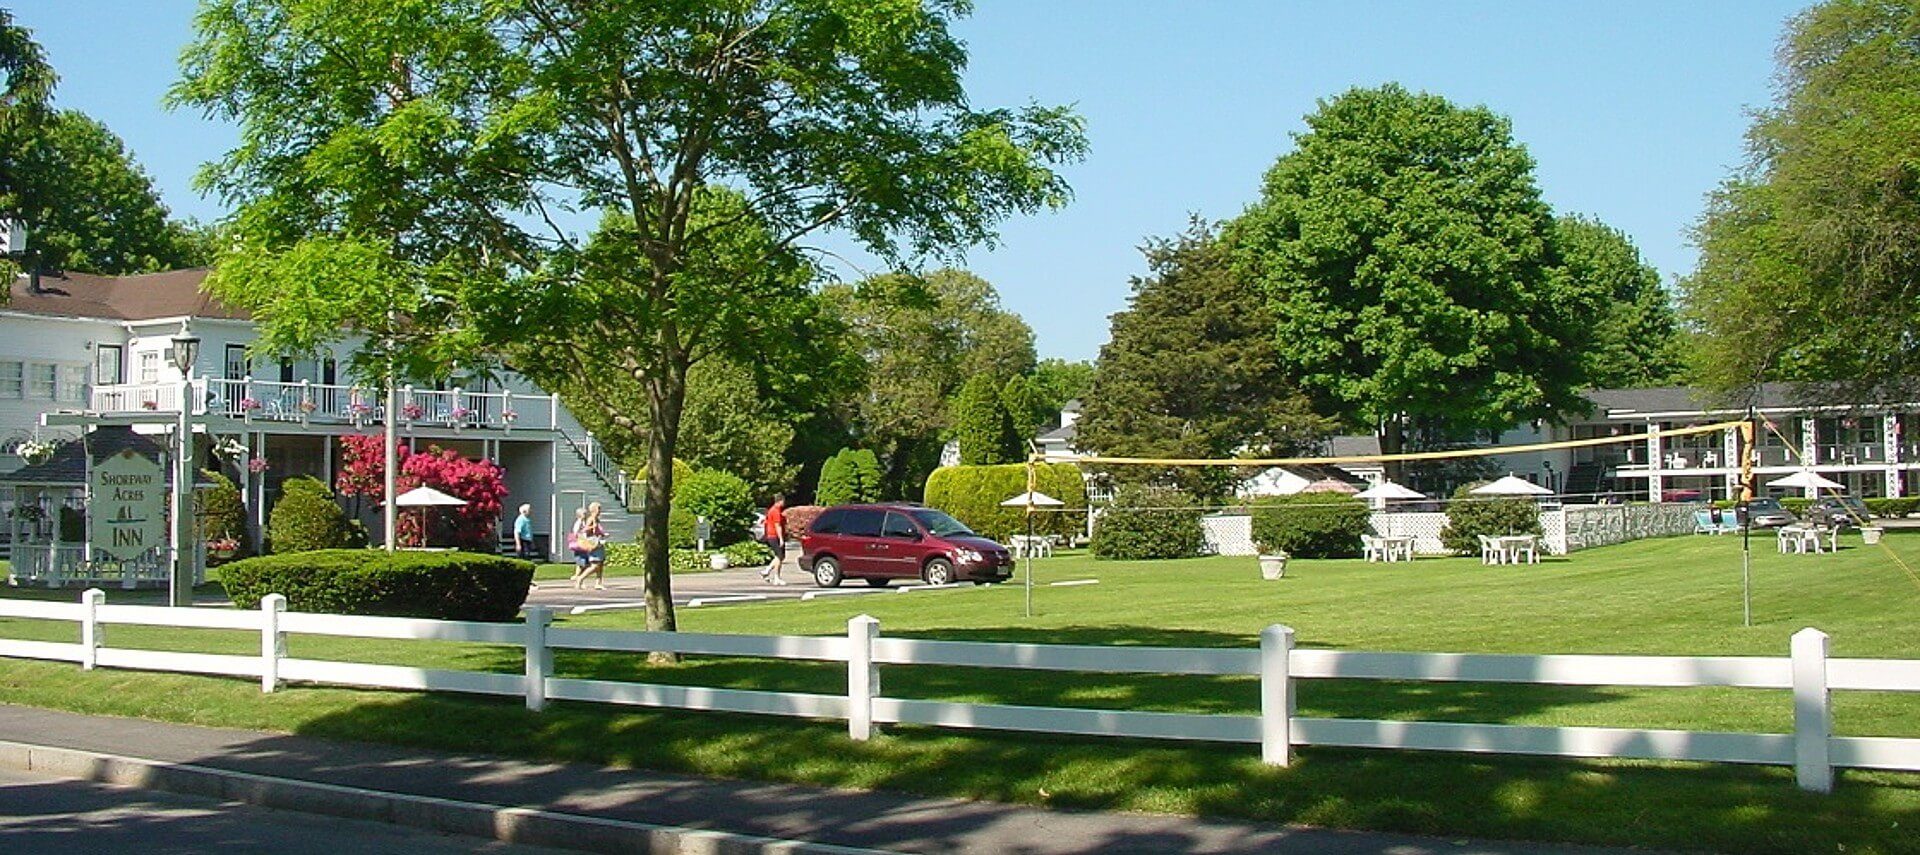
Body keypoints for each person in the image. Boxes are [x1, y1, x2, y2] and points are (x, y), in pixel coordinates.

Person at [569, 504, 608, 590]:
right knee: (595, 565)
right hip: (593, 543)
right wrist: (593, 527)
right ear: (594, 510)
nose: (600, 510)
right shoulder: (591, 519)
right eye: (599, 508)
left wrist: (602, 534)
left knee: (600, 564)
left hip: (599, 542)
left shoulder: (597, 519)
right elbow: (585, 530)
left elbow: (597, 531)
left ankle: (598, 583)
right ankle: (580, 578)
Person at [761, 494, 787, 585]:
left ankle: (767, 571)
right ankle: (777, 577)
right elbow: (777, 525)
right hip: (774, 536)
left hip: (771, 536)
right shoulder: (775, 511)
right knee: (779, 556)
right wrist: (781, 539)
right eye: (783, 501)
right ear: (780, 501)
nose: (784, 503)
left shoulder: (773, 510)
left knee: (779, 556)